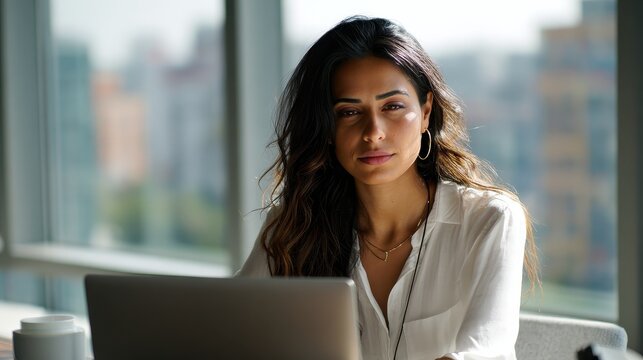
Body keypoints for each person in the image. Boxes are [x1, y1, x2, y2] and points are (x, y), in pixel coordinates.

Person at [237, 16, 539, 360]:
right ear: (327, 127)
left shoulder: (490, 220)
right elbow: (226, 323)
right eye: (349, 112)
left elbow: (488, 349)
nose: (373, 132)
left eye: (393, 107)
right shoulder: (297, 223)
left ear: (425, 112)